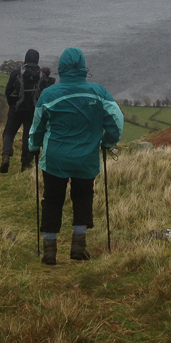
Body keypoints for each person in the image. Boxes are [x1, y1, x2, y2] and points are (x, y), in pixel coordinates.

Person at [29, 47, 123, 265]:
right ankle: (78, 247)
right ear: (83, 67)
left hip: (55, 159)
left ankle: (49, 251)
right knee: (83, 197)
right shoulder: (99, 92)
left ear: (61, 68)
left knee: (52, 200)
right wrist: (108, 142)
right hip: (86, 158)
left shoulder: (49, 94)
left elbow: (37, 127)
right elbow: (116, 121)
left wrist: (33, 147)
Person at [0, 48, 48, 173]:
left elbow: (8, 90)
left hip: (16, 108)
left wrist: (12, 104)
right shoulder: (41, 75)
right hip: (32, 110)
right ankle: (26, 165)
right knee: (28, 137)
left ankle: (6, 156)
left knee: (9, 133)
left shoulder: (17, 72)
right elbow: (44, 93)